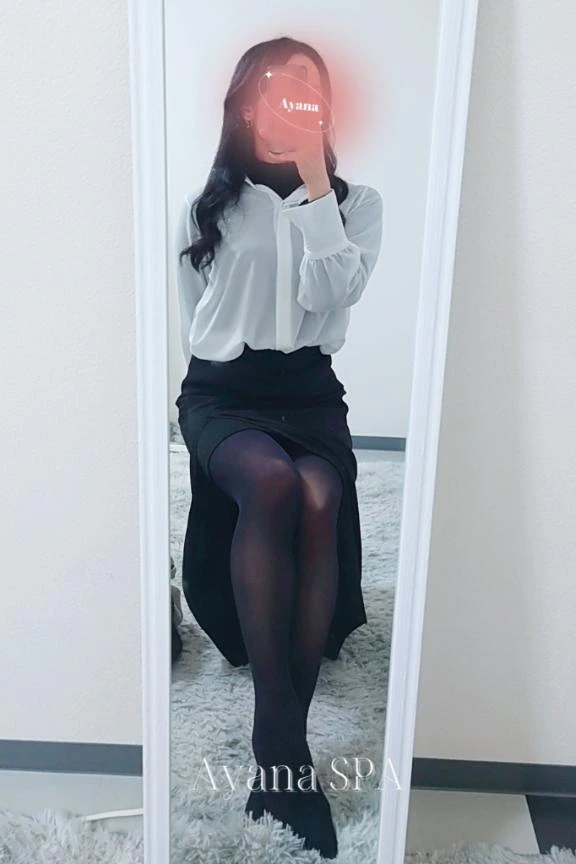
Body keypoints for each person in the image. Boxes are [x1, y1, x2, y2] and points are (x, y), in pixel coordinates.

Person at [174, 35, 383, 860]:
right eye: (275, 86)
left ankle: (282, 740)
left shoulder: (357, 204)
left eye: (308, 88)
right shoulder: (207, 207)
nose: (291, 99)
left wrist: (315, 185)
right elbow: (193, 319)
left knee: (320, 493)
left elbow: (332, 295)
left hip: (308, 394)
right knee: (271, 484)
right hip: (223, 393)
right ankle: (281, 748)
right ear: (246, 104)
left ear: (323, 110)